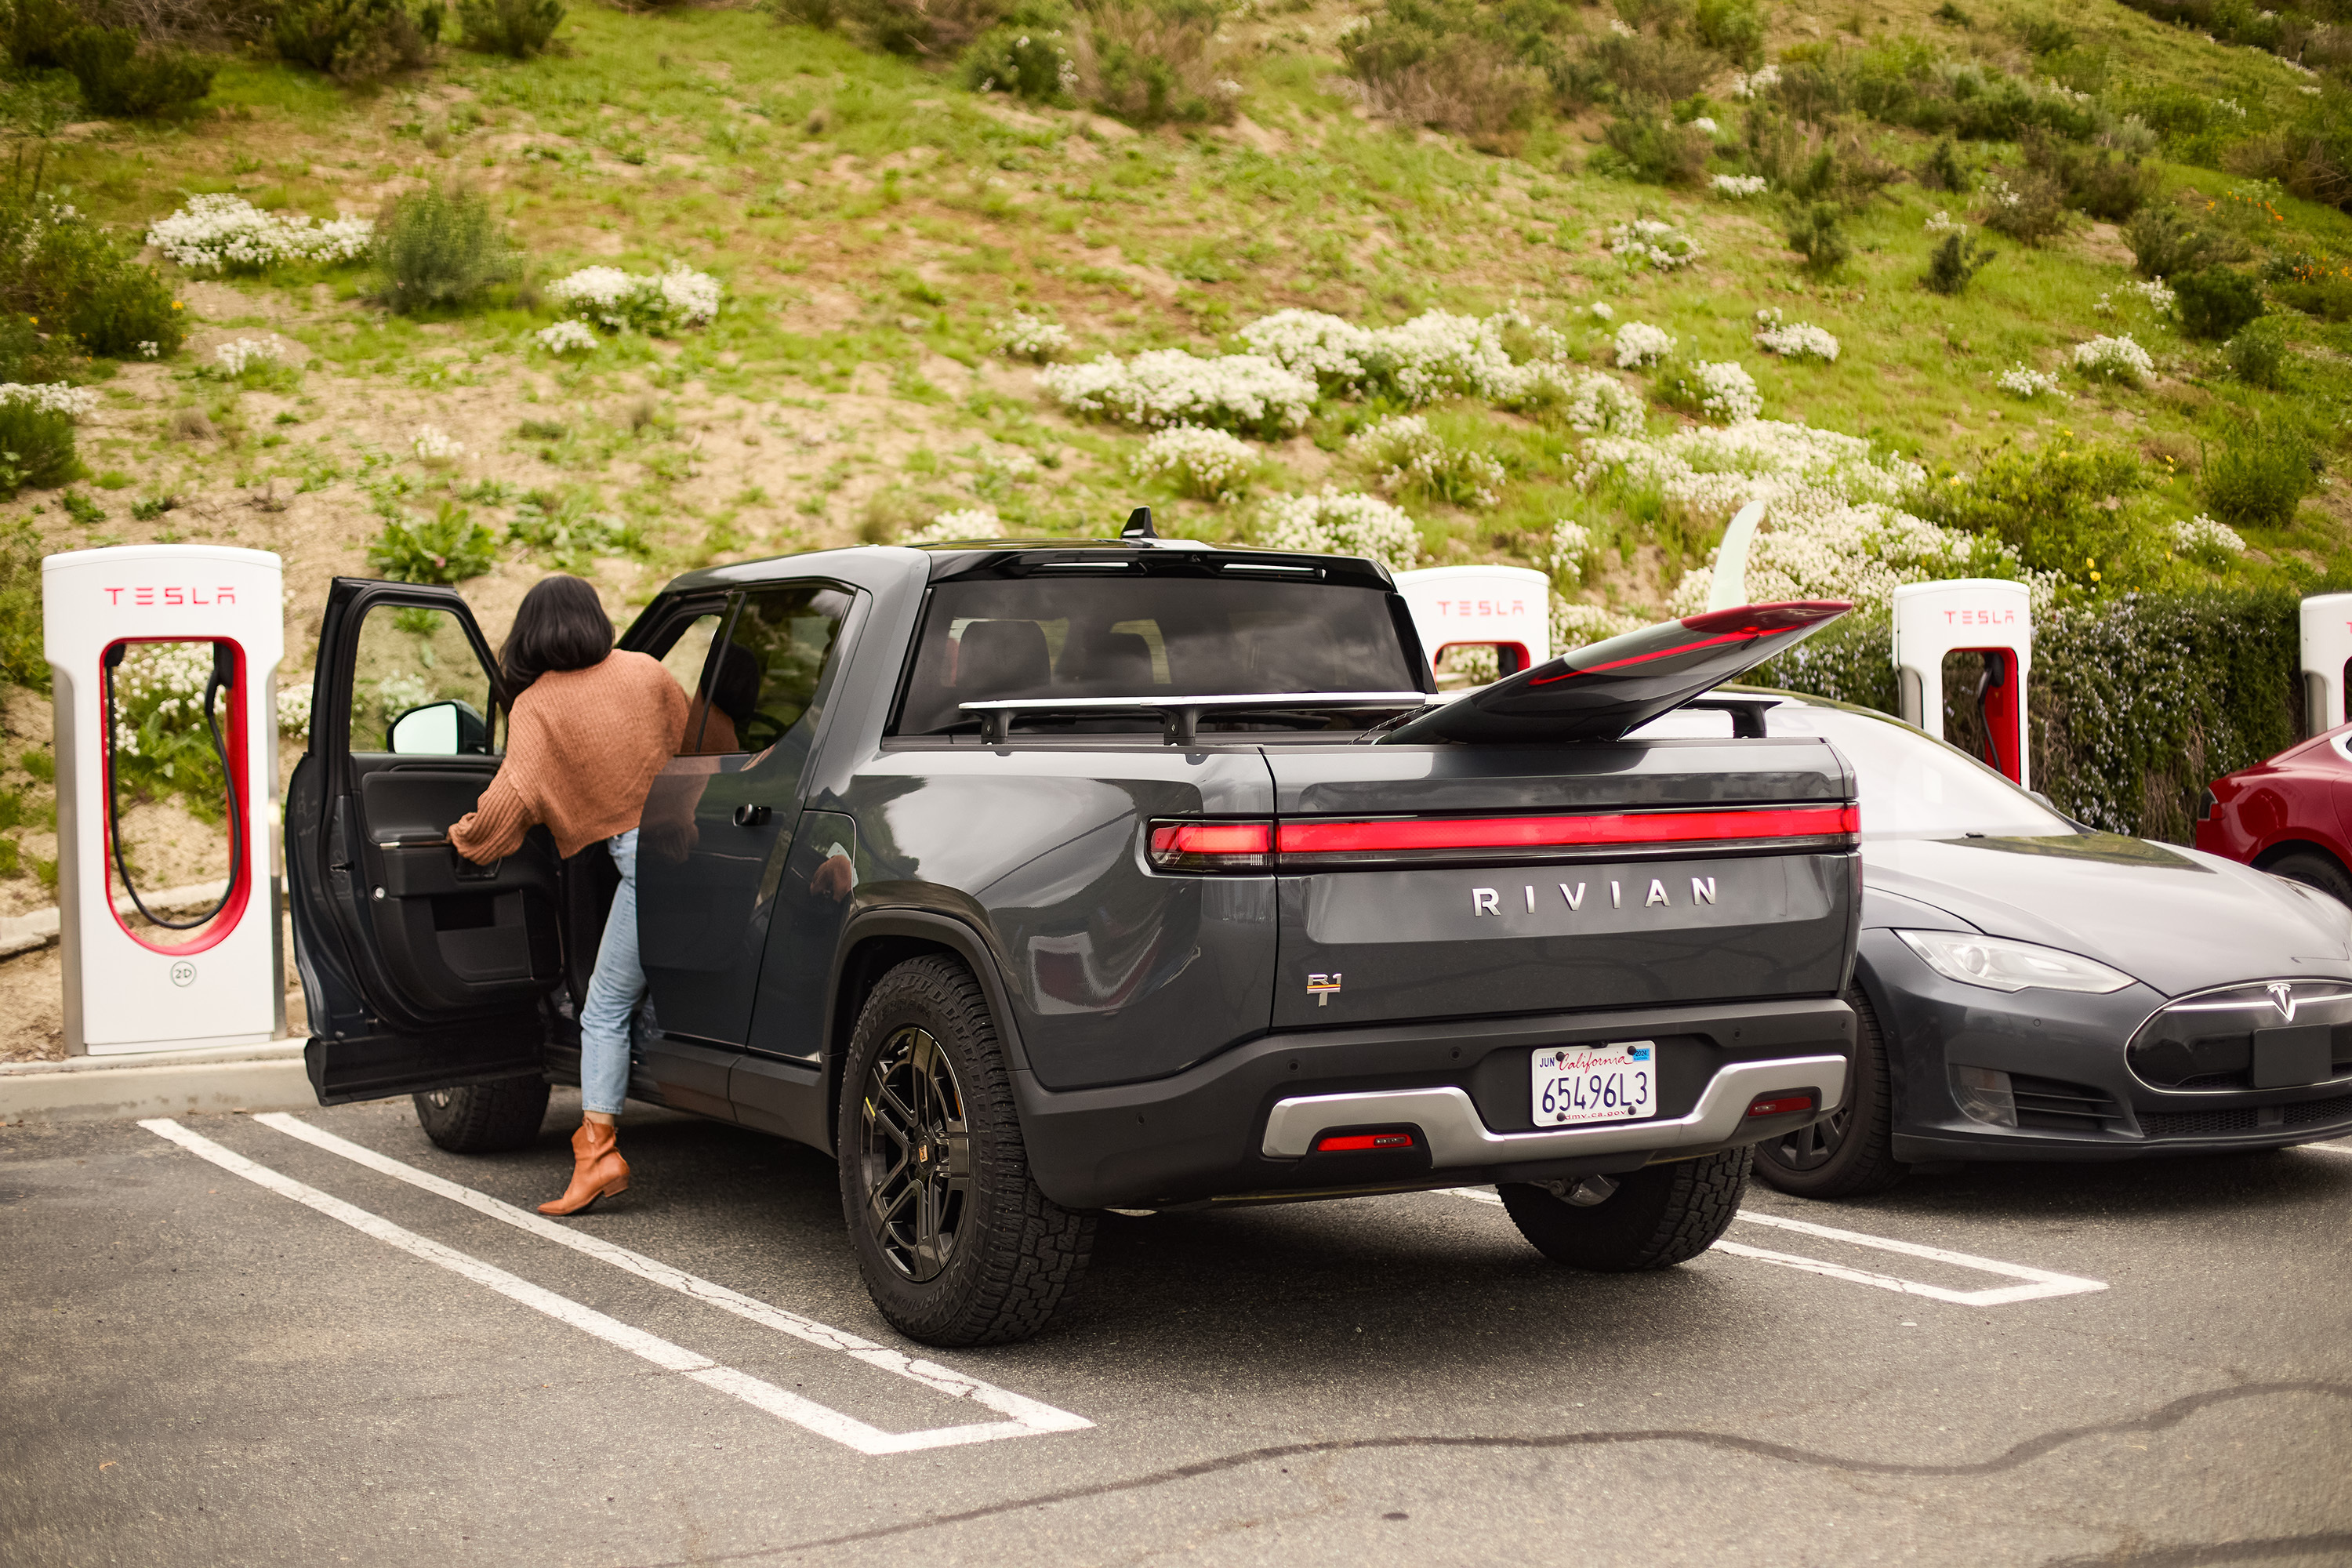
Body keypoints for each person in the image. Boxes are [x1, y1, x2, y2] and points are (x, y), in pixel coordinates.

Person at [449, 575, 687, 1217]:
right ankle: (598, 1150)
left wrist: (464, 840)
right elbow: (701, 749)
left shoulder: (539, 704)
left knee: (603, 1010)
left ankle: (598, 1153)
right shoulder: (647, 672)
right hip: (696, 851)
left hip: (642, 867)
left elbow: (513, 798)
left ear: (529, 632)